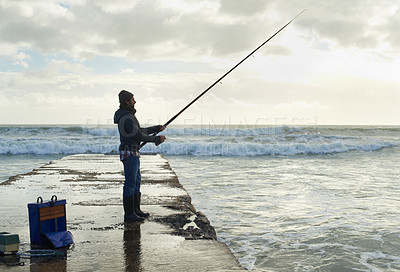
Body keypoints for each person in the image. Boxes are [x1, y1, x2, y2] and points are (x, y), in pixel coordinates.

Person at [114, 90, 166, 222]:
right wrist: (156, 139)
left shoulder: (128, 116)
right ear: (127, 102)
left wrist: (156, 128)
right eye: (132, 99)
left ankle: (136, 210)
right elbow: (137, 135)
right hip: (129, 152)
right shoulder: (126, 117)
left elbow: (140, 131)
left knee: (136, 182)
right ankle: (129, 214)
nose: (135, 101)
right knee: (130, 183)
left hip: (133, 152)